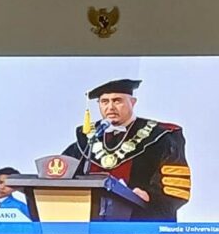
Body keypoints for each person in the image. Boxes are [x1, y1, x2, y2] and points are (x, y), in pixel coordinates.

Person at [63, 79, 191, 221]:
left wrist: (150, 196)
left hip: (142, 222)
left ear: (133, 102)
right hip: (91, 224)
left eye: (117, 101)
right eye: (104, 102)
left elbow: (176, 188)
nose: (110, 107)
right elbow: (62, 175)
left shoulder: (161, 136)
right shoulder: (88, 139)